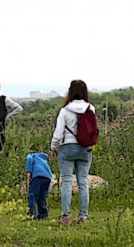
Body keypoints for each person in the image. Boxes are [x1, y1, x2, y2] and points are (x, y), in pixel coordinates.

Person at [50, 79, 95, 225]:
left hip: (67, 148)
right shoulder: (90, 108)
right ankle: (83, 217)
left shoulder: (65, 110)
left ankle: (65, 217)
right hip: (85, 148)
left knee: (67, 182)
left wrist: (53, 147)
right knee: (83, 182)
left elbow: (58, 133)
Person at [26, 145, 52, 220]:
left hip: (37, 176)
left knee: (32, 195)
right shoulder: (43, 157)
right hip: (47, 177)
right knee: (42, 196)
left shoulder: (31, 155)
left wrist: (29, 171)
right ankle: (43, 214)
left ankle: (32, 213)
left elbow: (29, 159)